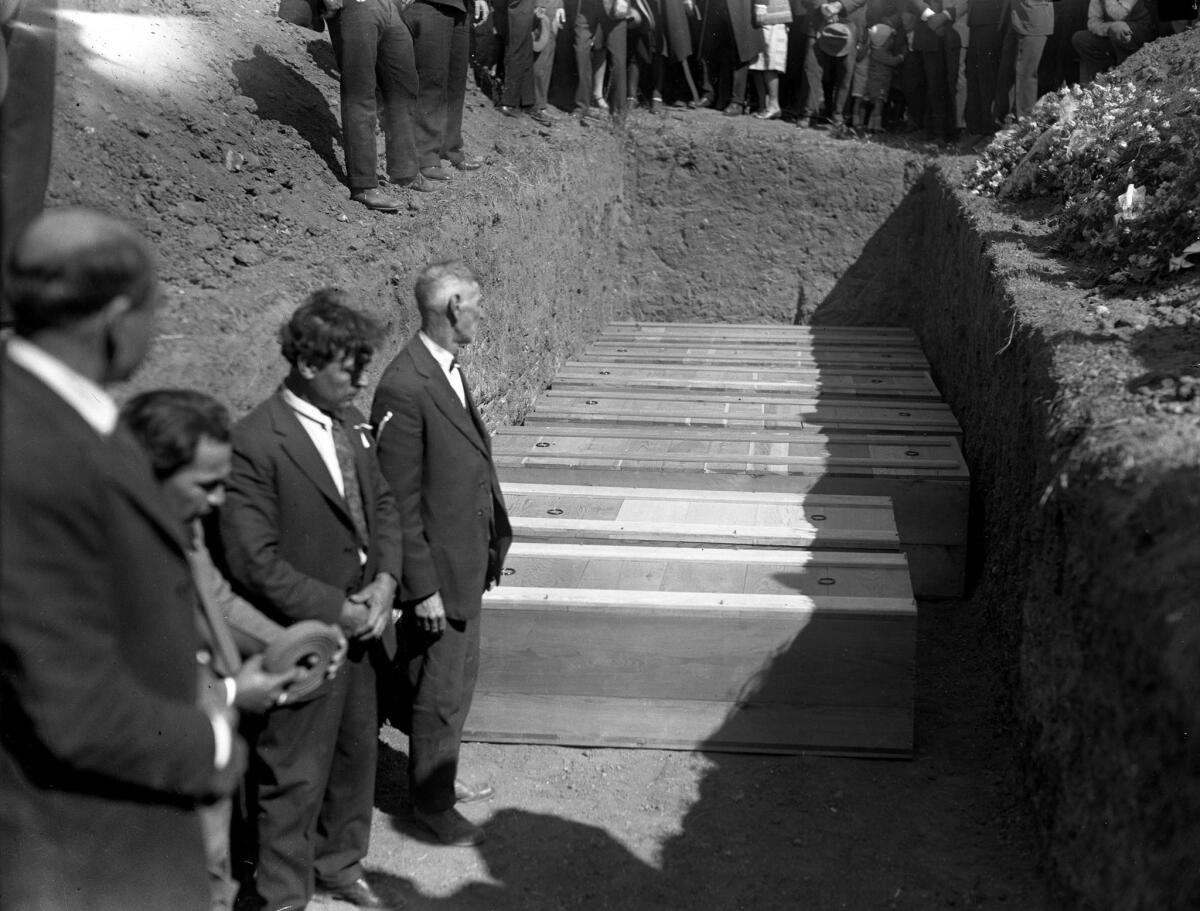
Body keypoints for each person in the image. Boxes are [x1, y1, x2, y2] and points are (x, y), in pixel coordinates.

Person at [0, 208, 246, 911]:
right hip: (83, 855)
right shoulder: (31, 450)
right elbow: (70, 702)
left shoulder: (61, 414)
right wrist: (211, 744)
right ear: (114, 317)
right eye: (153, 308)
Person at [121, 389, 351, 911]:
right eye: (206, 485)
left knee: (213, 872)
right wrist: (229, 691)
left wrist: (300, 641)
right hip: (154, 762)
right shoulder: (106, 557)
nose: (220, 499)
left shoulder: (184, 527)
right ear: (148, 473)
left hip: (206, 741)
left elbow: (218, 601)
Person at [218, 291, 404, 911]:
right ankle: (283, 896)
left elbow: (382, 508)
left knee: (355, 760)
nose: (358, 377)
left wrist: (385, 584)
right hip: (305, 636)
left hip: (367, 627)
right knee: (293, 777)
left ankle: (339, 866)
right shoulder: (255, 441)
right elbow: (255, 562)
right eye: (347, 365)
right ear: (304, 364)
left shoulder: (350, 423)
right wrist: (338, 609)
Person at [370, 260, 513, 848]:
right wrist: (420, 586)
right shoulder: (405, 385)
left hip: (465, 560)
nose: (482, 312)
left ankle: (441, 779)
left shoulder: (444, 369)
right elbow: (397, 501)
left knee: (455, 682)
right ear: (453, 309)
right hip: (439, 574)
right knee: (438, 688)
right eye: (476, 303)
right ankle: (428, 804)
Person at [322, 0, 434, 211]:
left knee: (404, 85)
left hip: (390, 7)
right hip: (355, 6)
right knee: (360, 92)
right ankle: (363, 184)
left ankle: (405, 171)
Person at [405, 0, 490, 180]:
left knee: (456, 82)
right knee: (431, 81)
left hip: (460, 8)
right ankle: (426, 155)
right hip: (430, 5)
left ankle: (450, 148)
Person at [993, 0, 1053, 125]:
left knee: (1025, 76)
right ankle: (1006, 124)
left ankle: (1023, 125)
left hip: (1033, 19)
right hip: (1014, 19)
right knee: (1007, 73)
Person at [1070, 0, 1156, 84]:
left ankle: (1128, 71)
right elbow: (1093, 23)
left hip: (1140, 35)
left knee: (1118, 29)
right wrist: (1110, 28)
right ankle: (1106, 73)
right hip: (1114, 35)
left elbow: (1122, 14)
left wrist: (1118, 27)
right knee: (1080, 38)